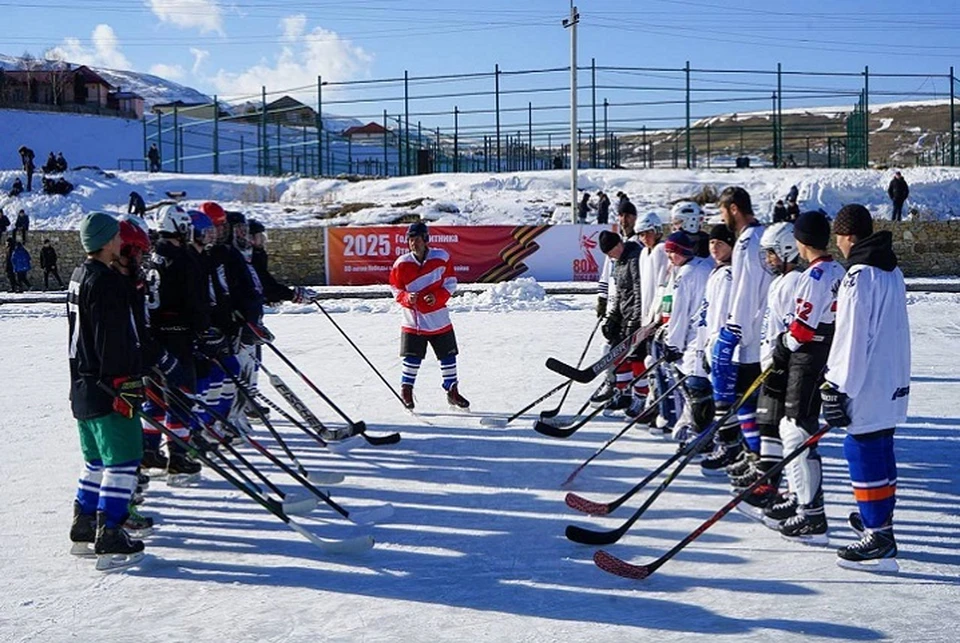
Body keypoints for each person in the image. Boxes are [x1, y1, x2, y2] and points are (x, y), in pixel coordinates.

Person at [821, 204, 909, 572]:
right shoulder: (892, 268)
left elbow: (852, 338)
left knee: (861, 448)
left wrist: (836, 385)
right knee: (882, 446)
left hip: (868, 382)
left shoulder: (859, 276)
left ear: (847, 236)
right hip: (892, 378)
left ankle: (878, 534)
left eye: (838, 238)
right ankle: (880, 520)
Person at [66, 212, 147, 570]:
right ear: (104, 242)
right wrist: (124, 382)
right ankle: (110, 530)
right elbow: (112, 337)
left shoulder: (79, 276)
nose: (120, 243)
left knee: (95, 461)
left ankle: (84, 524)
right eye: (115, 238)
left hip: (82, 387)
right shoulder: (105, 281)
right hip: (108, 387)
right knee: (123, 459)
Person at [763, 210, 846, 544]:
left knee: (798, 432)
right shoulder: (837, 269)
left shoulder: (814, 277)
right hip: (818, 356)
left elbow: (801, 329)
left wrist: (782, 349)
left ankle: (812, 514)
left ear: (800, 242)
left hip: (810, 359)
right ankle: (801, 497)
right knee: (791, 428)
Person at [703, 186, 773, 478]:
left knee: (747, 401)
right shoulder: (763, 236)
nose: (723, 217)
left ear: (733, 209)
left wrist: (732, 331)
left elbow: (745, 291)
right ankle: (750, 453)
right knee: (747, 401)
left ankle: (755, 458)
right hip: (760, 334)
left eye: (722, 211)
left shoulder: (746, 242)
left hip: (751, 338)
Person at [735, 222, 802, 508]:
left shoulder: (795, 282)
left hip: (783, 369)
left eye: (772, 253)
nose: (768, 260)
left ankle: (785, 488)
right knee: (768, 424)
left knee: (783, 429)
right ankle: (769, 480)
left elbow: (793, 332)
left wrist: (780, 365)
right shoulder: (779, 282)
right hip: (770, 367)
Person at [142, 205, 207, 482]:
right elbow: (196, 300)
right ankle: (178, 456)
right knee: (181, 397)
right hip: (177, 336)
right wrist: (203, 331)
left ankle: (148, 450)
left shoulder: (149, 257)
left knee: (154, 398)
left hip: (152, 338)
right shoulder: (183, 258)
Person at [389, 221, 469, 410]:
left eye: (416, 239)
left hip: (439, 318)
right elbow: (394, 288)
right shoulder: (401, 264)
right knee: (412, 358)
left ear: (426, 239)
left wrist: (438, 297)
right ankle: (406, 390)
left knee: (448, 356)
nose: (412, 244)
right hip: (413, 321)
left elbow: (450, 283)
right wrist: (407, 297)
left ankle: (452, 390)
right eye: (409, 240)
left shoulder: (442, 257)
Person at [657, 230, 712, 441]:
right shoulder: (705, 265)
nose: (670, 257)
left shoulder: (685, 275)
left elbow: (680, 313)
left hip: (693, 339)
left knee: (695, 387)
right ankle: (698, 429)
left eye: (673, 252)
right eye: (668, 253)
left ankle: (699, 433)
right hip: (708, 336)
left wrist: (673, 344)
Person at [592, 201, 639, 408]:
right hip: (617, 305)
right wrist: (603, 302)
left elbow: (637, 285)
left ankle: (620, 386)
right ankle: (613, 383)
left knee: (623, 350)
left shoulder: (635, 244)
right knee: (609, 346)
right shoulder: (611, 244)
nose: (624, 219)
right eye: (621, 215)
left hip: (630, 308)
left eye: (628, 215)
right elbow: (607, 276)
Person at [597, 230, 644, 417]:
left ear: (618, 245)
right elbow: (619, 293)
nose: (609, 257)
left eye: (610, 252)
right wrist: (613, 317)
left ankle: (641, 397)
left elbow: (639, 290)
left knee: (636, 358)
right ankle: (622, 392)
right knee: (616, 354)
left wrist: (636, 319)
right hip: (625, 316)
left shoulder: (634, 258)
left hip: (637, 317)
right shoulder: (619, 262)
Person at [248, 219, 318, 305]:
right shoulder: (248, 257)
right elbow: (263, 283)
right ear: (249, 238)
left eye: (263, 236)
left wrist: (269, 298)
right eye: (259, 236)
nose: (263, 240)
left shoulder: (257, 254)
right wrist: (292, 295)